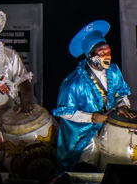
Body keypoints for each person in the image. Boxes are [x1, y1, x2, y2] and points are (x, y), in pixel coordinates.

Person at [53, 20, 134, 173]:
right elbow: (63, 111)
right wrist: (91, 117)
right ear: (89, 56)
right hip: (82, 134)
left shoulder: (114, 71)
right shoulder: (73, 82)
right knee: (87, 166)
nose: (107, 56)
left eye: (108, 52)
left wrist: (123, 104)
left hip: (107, 127)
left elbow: (121, 92)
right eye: (102, 53)